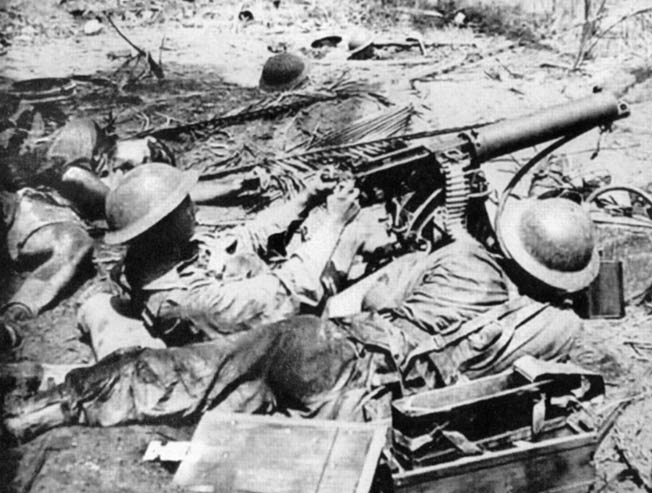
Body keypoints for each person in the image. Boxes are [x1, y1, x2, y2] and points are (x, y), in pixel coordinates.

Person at [2, 192, 597, 441]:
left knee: (196, 373)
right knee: (231, 401)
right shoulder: (561, 330)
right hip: (375, 406)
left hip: (330, 346)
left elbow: (362, 301)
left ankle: (62, 400)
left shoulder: (462, 260)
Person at [77, 162, 393, 354]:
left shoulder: (163, 256)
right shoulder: (187, 302)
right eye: (184, 206)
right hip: (286, 326)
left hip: (274, 293)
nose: (194, 209)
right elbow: (291, 291)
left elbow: (245, 236)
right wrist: (336, 222)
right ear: (162, 228)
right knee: (383, 266)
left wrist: (305, 197)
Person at [0, 117, 175, 321]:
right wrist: (118, 201)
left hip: (47, 213)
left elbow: (182, 195)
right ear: (145, 138)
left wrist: (221, 188)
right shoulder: (86, 131)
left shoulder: (118, 183)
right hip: (18, 200)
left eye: (154, 166)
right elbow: (72, 176)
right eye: (154, 152)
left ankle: (16, 313)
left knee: (75, 241)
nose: (148, 163)